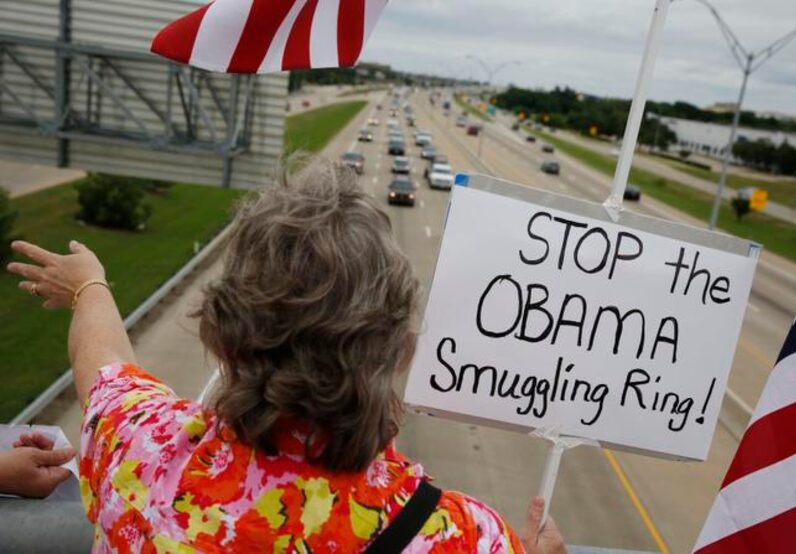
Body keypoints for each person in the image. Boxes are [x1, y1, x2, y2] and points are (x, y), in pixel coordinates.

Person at [7, 155, 566, 553]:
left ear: (221, 339)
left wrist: (90, 286)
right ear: (398, 352)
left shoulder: (138, 447)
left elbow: (100, 361)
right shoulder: (463, 537)